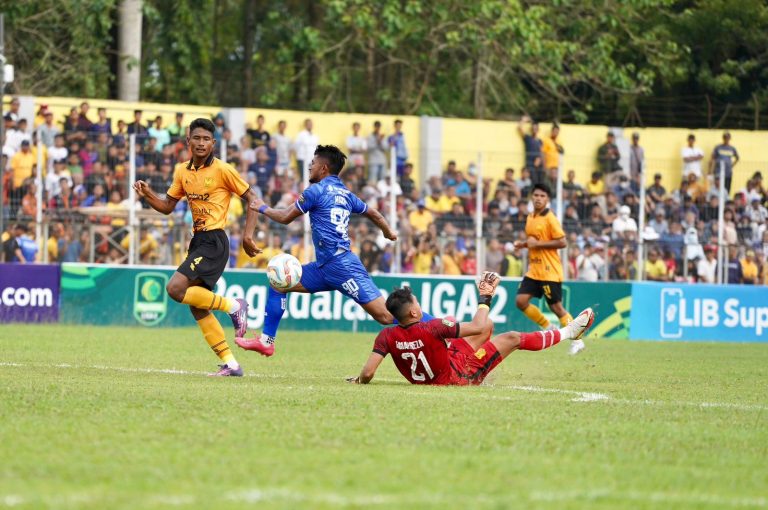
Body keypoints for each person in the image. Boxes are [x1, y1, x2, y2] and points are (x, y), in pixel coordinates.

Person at [236, 145, 416, 357]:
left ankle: (435, 325)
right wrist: (388, 232)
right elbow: (374, 214)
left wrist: (262, 207)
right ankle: (267, 342)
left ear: (323, 168)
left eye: (313, 164)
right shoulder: (346, 194)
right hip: (323, 267)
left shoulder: (316, 190)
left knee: (385, 317)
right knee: (279, 283)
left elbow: (285, 217)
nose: (310, 167)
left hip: (342, 266)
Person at [132, 118, 262, 377]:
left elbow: (253, 198)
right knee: (197, 305)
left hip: (215, 240)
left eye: (206, 139)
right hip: (198, 241)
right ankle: (231, 364)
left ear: (213, 143)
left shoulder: (223, 170)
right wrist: (148, 195)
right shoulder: (182, 171)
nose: (201, 143)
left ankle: (234, 306)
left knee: (175, 288)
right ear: (187, 141)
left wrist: (248, 236)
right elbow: (167, 207)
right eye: (197, 138)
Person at [347, 275, 595, 386]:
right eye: (417, 303)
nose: (419, 305)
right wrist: (485, 297)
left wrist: (359, 380)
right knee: (510, 337)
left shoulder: (387, 335)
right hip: (458, 377)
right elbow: (475, 324)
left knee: (486, 326)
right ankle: (567, 333)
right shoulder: (432, 327)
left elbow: (368, 373)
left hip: (445, 363)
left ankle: (480, 353)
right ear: (413, 312)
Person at [513, 183, 583, 355]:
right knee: (521, 301)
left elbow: (562, 242)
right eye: (536, 195)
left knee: (557, 308)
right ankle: (547, 326)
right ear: (531, 197)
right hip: (534, 270)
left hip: (549, 270)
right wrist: (522, 245)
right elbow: (533, 241)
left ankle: (577, 340)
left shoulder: (551, 218)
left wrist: (538, 244)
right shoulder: (530, 217)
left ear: (548, 199)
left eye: (542, 196)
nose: (538, 198)